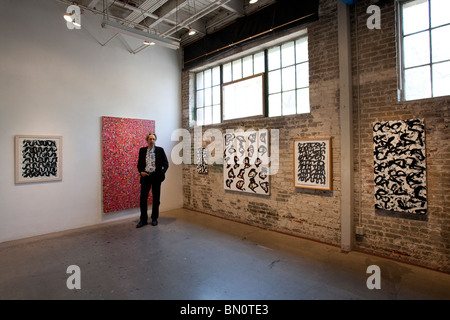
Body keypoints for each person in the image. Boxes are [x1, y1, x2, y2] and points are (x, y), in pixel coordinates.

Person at [136, 132, 169, 228]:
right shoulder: (142, 151)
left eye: (153, 139)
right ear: (147, 140)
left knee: (156, 198)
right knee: (143, 199)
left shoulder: (160, 150)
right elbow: (139, 164)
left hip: (156, 177)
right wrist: (141, 172)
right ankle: (143, 220)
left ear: (155, 140)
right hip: (145, 177)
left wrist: (161, 173)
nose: (152, 141)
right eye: (150, 139)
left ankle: (154, 218)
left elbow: (166, 164)